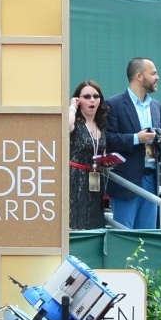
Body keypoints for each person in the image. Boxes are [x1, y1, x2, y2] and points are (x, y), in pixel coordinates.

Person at [105, 57, 161, 229]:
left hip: (151, 179)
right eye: (153, 73)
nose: (158, 77)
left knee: (147, 236)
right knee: (125, 233)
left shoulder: (156, 106)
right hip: (127, 181)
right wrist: (135, 139)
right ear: (139, 76)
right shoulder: (114, 105)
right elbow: (108, 140)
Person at [69, 80, 110, 230]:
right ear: (79, 100)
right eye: (86, 96)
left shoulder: (101, 124)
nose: (92, 100)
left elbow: (99, 150)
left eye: (96, 96)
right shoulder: (76, 122)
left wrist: (107, 161)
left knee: (93, 220)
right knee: (76, 220)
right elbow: (65, 127)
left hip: (94, 178)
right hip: (75, 177)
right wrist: (72, 107)